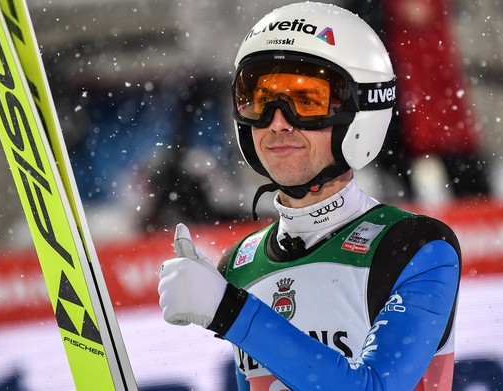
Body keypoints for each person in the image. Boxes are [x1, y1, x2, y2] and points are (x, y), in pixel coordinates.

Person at [157, 2, 461, 390]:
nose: (278, 122)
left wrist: (229, 311)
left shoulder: (414, 246)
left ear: (360, 112)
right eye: (259, 99)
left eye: (307, 100)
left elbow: (374, 387)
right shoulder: (239, 264)